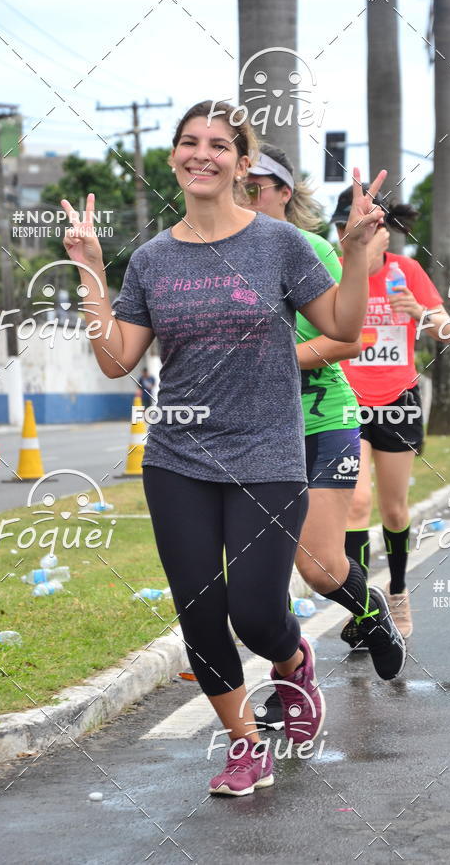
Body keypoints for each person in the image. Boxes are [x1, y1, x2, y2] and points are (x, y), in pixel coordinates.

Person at [60, 100, 385, 797]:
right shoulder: (152, 259)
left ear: (242, 164)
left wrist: (357, 252)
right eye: (189, 142)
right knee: (200, 613)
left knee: (257, 613)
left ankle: (293, 663)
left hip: (268, 452)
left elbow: (342, 325)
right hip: (177, 458)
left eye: (218, 144)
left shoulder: (279, 245)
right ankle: (245, 745)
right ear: (173, 157)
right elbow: (116, 360)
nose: (201, 154)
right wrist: (90, 270)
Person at [243, 145, 407, 728]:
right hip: (251, 433)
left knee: (318, 568)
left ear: (284, 193)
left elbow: (349, 337)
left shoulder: (308, 249)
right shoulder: (216, 258)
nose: (245, 194)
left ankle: (371, 608)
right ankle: (289, 679)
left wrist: (276, 360)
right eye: (239, 184)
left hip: (321, 421)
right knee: (261, 577)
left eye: (257, 186)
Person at [331, 184, 450, 642]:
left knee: (395, 509)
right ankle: (362, 607)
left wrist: (419, 311)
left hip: (397, 401)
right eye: (346, 226)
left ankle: (398, 591)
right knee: (356, 502)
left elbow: (448, 331)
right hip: (347, 400)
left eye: (367, 225)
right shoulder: (334, 269)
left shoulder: (407, 270)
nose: (354, 233)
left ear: (383, 229)